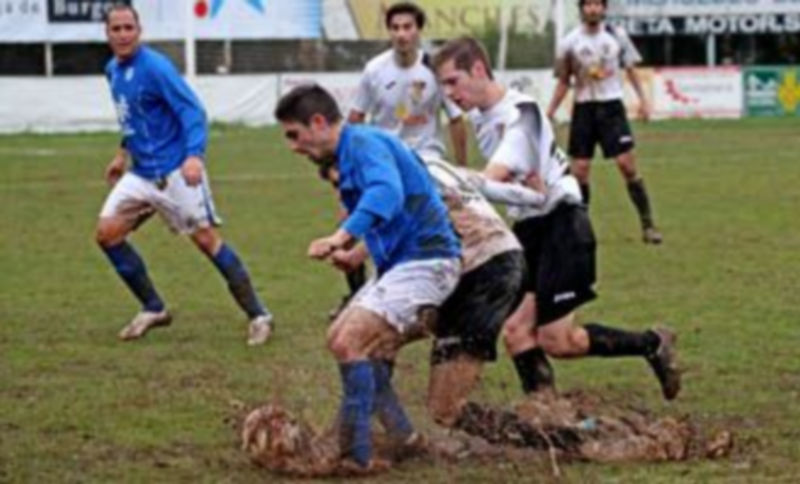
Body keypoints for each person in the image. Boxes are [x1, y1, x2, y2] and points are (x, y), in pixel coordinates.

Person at [433, 36, 681, 401]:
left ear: (479, 70)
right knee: (517, 331)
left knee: (558, 341)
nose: (448, 93)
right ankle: (548, 413)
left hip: (562, 225)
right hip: (530, 228)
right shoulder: (482, 118)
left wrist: (447, 179)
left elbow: (490, 180)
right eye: (443, 85)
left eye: (453, 81)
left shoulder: (522, 112)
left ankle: (651, 343)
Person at [274, 84, 461, 471]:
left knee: (348, 341)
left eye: (294, 134)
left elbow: (387, 194)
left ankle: (357, 457)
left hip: (428, 262)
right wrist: (356, 254)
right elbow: (394, 215)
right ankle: (403, 435)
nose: (292, 147)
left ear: (319, 122)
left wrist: (341, 236)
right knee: (344, 340)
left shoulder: (363, 143)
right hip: (405, 264)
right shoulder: (353, 151)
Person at [96, 5, 273, 345]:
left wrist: (194, 156)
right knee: (107, 235)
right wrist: (122, 153)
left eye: (128, 28)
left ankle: (259, 315)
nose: (122, 34)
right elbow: (133, 117)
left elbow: (191, 110)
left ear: (139, 30)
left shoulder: (156, 68)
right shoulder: (112, 71)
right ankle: (153, 308)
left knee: (206, 241)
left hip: (176, 170)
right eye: (115, 29)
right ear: (107, 34)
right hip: (141, 173)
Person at [334, 2, 469, 316]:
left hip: (426, 159)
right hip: (382, 162)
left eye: (408, 27)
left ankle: (442, 289)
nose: (401, 34)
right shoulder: (375, 70)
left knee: (441, 222)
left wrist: (460, 168)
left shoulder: (436, 68)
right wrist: (347, 171)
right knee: (351, 225)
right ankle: (356, 295)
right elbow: (355, 119)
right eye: (395, 28)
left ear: (418, 30)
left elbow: (456, 119)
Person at [547, 0, 663, 245]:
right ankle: (581, 231)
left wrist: (643, 101)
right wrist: (550, 111)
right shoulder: (569, 42)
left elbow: (630, 69)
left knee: (627, 166)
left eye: (597, 4)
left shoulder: (616, 36)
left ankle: (648, 225)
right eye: (588, 4)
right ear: (581, 9)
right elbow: (563, 79)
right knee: (579, 172)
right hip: (583, 109)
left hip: (611, 108)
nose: (593, 9)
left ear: (604, 8)